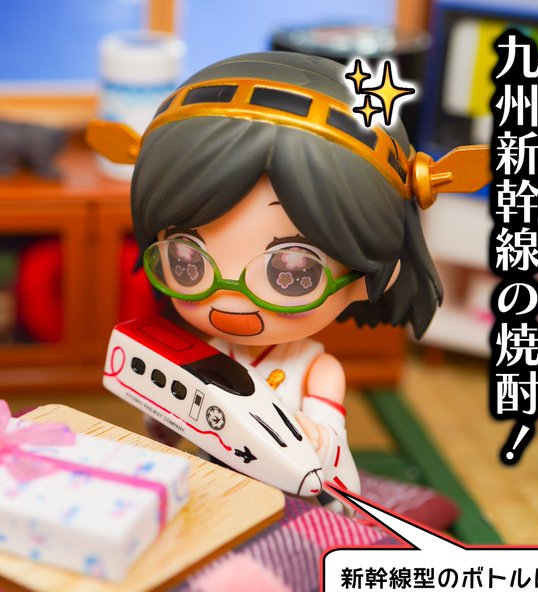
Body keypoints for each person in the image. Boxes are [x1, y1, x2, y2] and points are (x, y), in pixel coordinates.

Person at [90, 52, 485, 509]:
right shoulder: (202, 353)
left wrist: (316, 435)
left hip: (288, 499)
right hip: (210, 490)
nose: (229, 300)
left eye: (292, 273)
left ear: (369, 276)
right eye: (186, 262)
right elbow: (173, 432)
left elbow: (330, 452)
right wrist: (163, 416)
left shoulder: (317, 370)